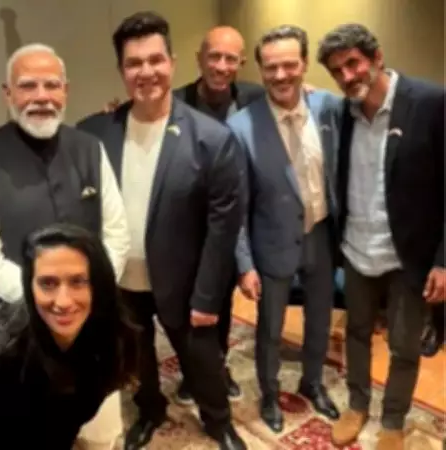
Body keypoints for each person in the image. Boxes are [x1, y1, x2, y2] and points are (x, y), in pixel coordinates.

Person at [77, 11, 246, 450]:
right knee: (136, 357)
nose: (146, 71)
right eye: (134, 63)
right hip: (122, 280)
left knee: (203, 362)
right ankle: (149, 409)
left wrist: (208, 296)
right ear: (121, 70)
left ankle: (219, 422)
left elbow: (223, 227)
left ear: (172, 62)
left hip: (186, 284)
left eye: (155, 60)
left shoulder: (211, 138)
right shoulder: (94, 133)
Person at [0, 42, 130, 449]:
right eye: (28, 86)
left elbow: (117, 233)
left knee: (102, 436)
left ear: (65, 91)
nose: (41, 96)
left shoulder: (90, 148)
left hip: (92, 325)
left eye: (51, 85)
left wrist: (85, 295)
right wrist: (47, 301)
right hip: (20, 336)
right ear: (8, 93)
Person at [316, 23, 445, 449]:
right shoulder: (342, 113)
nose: (347, 76)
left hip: (408, 256)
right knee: (356, 333)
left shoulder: (430, 103)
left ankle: (393, 421)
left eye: (353, 63)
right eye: (337, 71)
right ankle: (357, 404)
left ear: (377, 57)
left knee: (404, 346)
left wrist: (443, 261)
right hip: (356, 250)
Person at [0, 223, 139, 449]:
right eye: (48, 284)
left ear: (100, 285)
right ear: (30, 287)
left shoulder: (111, 342)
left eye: (78, 282)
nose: (63, 301)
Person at [227, 25, 341, 433]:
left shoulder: (328, 108)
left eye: (289, 65)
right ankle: (270, 394)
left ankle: (312, 382)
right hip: (270, 242)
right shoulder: (240, 128)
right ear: (260, 70)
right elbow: (236, 206)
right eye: (271, 67)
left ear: (304, 64)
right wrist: (244, 264)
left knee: (319, 321)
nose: (280, 75)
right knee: (271, 330)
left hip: (321, 235)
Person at [171, 24, 263, 403]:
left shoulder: (253, 98)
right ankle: (190, 372)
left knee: (219, 304)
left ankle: (217, 366)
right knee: (184, 308)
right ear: (199, 58)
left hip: (226, 225)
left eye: (230, 59)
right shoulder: (174, 103)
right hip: (183, 227)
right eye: (214, 56)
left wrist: (307, 91)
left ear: (241, 62)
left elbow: (290, 96)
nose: (222, 66)